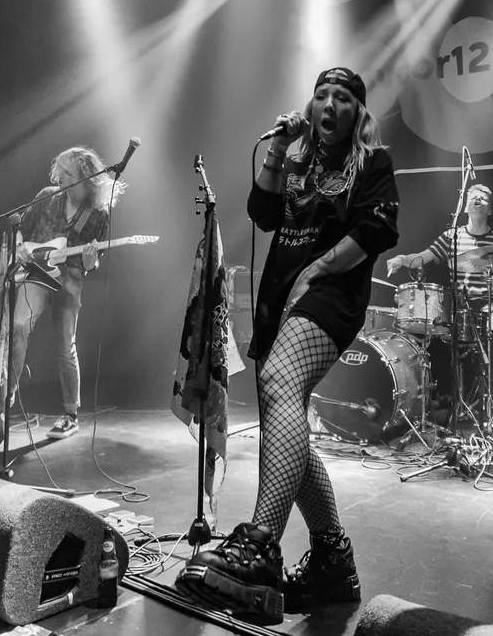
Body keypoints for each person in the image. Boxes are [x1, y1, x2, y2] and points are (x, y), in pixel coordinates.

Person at [177, 68, 399, 624]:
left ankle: (260, 546)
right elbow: (263, 214)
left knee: (279, 384)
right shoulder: (297, 160)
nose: (329, 105)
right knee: (286, 428)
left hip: (331, 293)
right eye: (322, 95)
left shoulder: (373, 162)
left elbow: (375, 231)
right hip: (281, 299)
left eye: (342, 98)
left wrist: (317, 270)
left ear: (357, 113)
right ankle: (332, 561)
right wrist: (277, 149)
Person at [11, 146, 121, 440]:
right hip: (36, 272)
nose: (60, 178)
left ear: (85, 177)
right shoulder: (47, 197)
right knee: (19, 325)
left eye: (67, 173)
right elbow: (22, 228)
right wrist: (20, 246)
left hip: (70, 278)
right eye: (59, 172)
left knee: (65, 345)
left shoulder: (97, 213)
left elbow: (92, 264)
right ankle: (6, 397)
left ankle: (70, 415)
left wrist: (89, 259)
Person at [385, 184, 493, 395]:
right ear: (465, 207)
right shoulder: (451, 236)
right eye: (473, 197)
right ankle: (445, 397)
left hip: (488, 303)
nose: (477, 200)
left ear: (490, 210)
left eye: (483, 198)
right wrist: (401, 259)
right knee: (432, 341)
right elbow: (422, 258)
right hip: (457, 306)